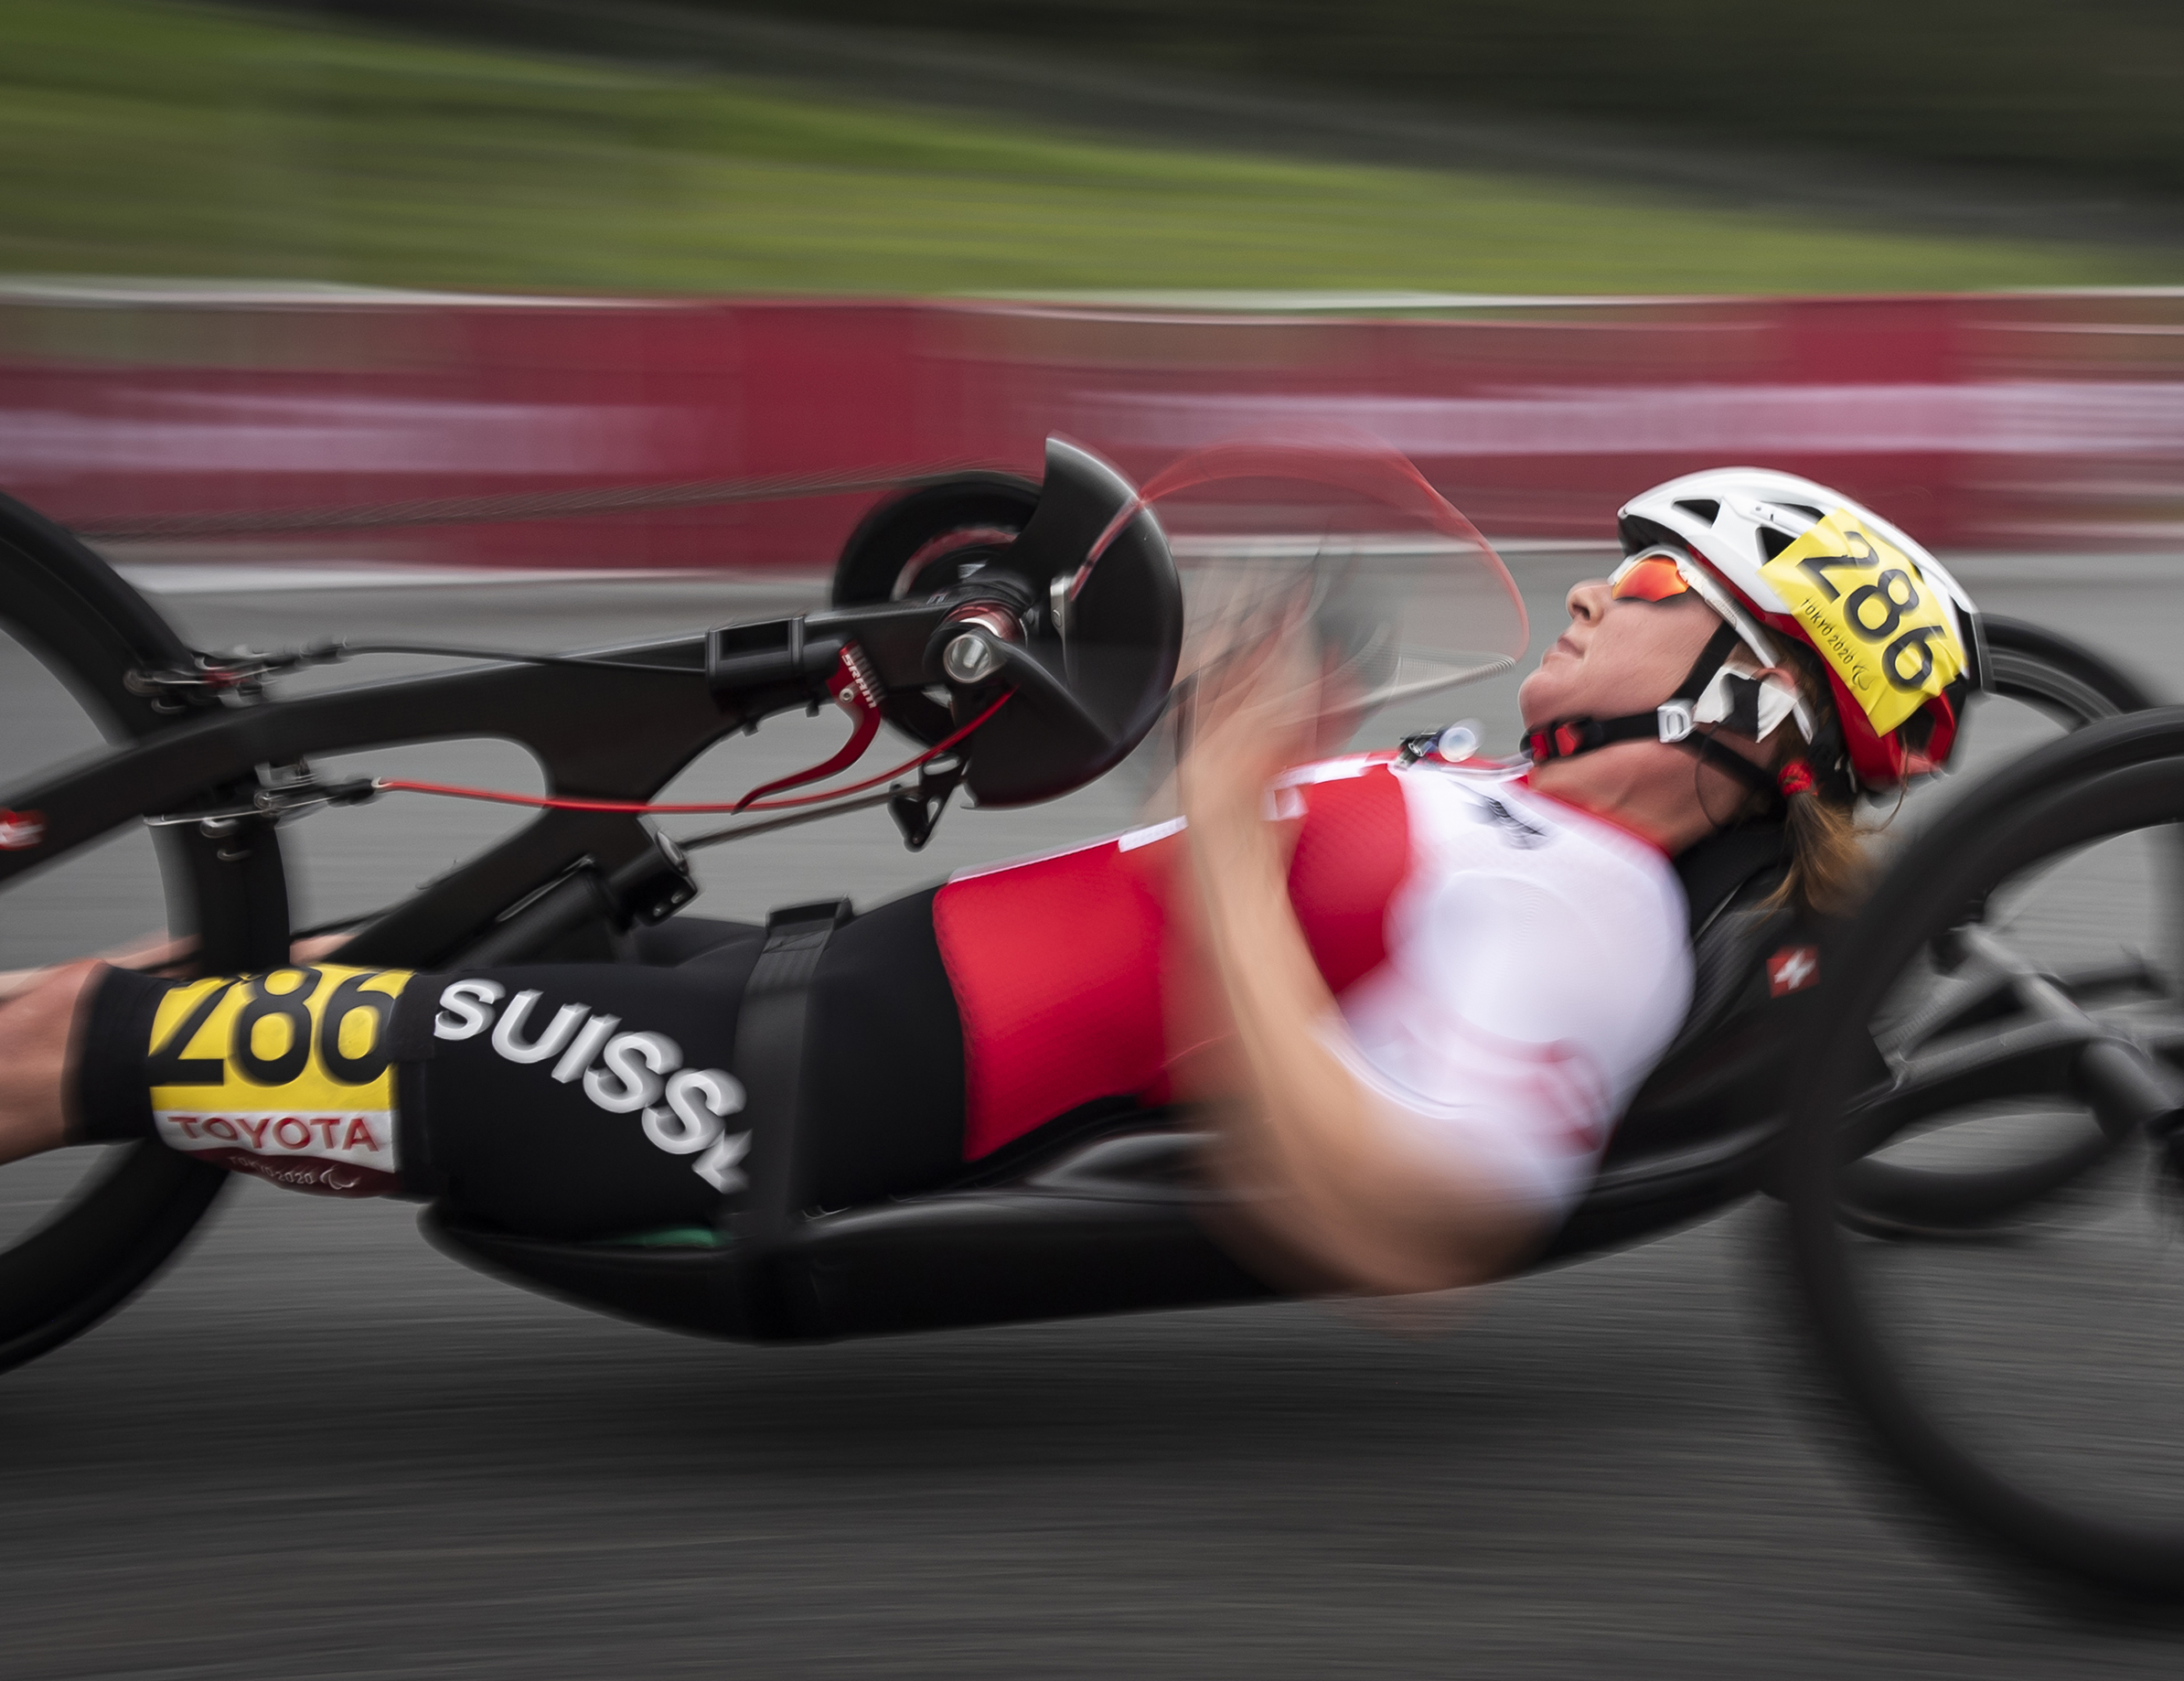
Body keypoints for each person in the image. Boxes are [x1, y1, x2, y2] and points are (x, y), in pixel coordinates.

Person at [0, 469, 1978, 1296]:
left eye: (1640, 584)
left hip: (744, 1098)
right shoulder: (1496, 802)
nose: (1580, 582)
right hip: (767, 977)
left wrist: (1220, 825)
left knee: (100, 1041)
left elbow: (1415, 1223)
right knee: (199, 974)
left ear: (1747, 694)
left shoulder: (1591, 918)